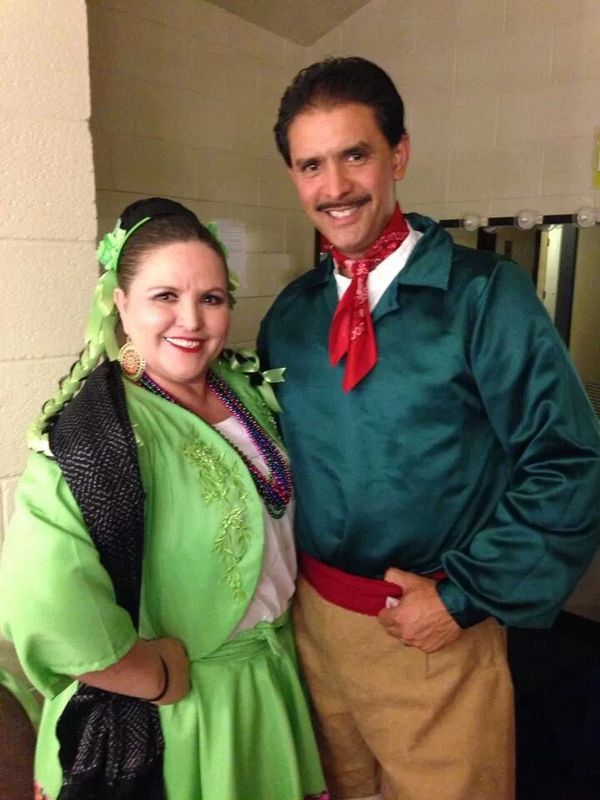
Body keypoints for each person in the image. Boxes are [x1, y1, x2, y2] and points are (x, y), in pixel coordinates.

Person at [258, 57, 600, 800]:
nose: (335, 186)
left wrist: (462, 597)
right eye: (311, 165)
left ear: (399, 154)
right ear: (293, 176)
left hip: (431, 631)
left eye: (355, 154)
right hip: (312, 632)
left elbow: (569, 461)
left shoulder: (485, 297)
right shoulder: (289, 316)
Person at [0, 197, 329, 800]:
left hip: (270, 681)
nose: (191, 320)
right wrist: (151, 676)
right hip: (181, 712)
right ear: (121, 304)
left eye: (212, 298)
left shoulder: (243, 390)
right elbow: (43, 602)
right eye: (165, 296)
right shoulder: (95, 434)